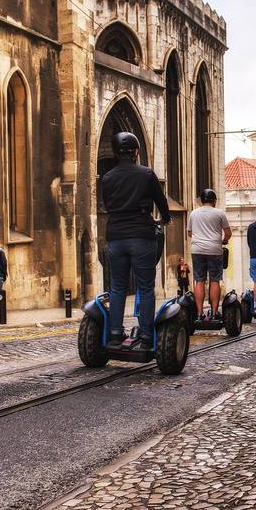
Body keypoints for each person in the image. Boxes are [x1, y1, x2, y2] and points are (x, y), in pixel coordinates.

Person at [101, 132, 171, 350]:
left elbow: (107, 204)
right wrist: (166, 219)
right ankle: (146, 336)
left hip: (115, 237)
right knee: (146, 287)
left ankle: (114, 334)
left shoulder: (107, 177)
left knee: (117, 287)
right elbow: (161, 202)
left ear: (115, 153)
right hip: (141, 235)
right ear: (136, 152)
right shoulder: (146, 174)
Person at [187, 189, 231, 320]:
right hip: (214, 250)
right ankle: (214, 311)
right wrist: (223, 240)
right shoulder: (219, 213)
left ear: (201, 200)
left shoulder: (194, 213)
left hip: (197, 250)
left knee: (199, 280)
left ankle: (199, 313)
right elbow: (228, 233)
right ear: (214, 201)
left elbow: (190, 233)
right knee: (215, 280)